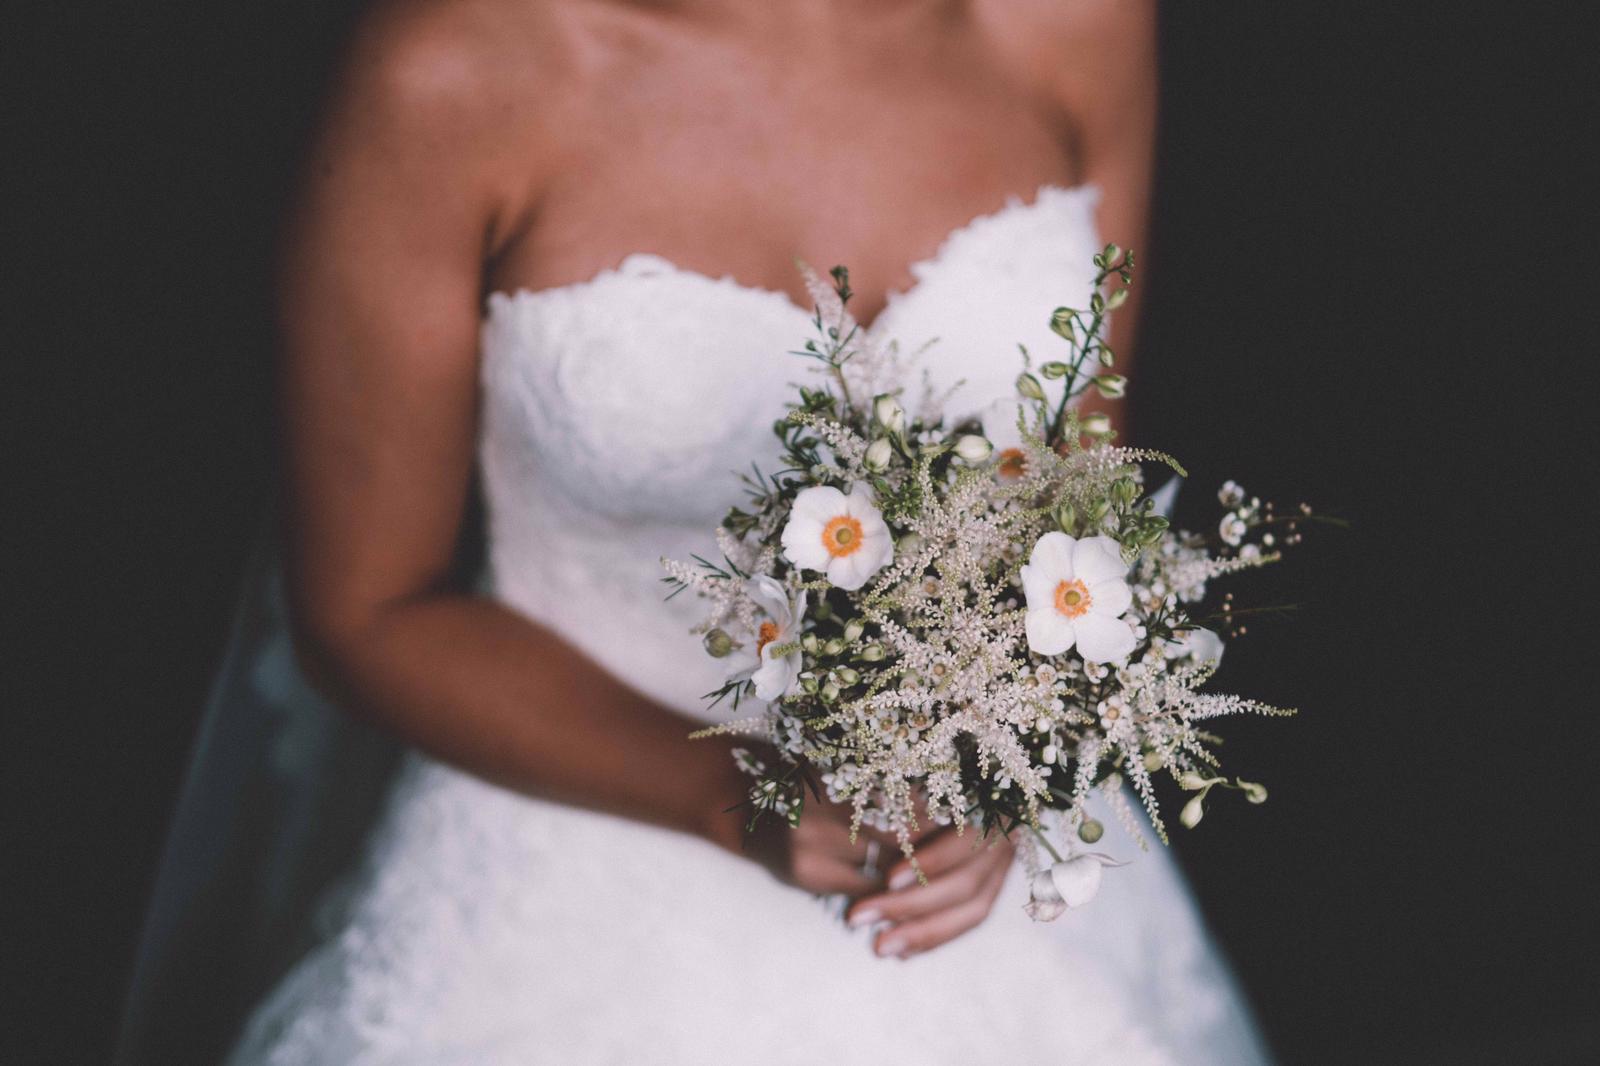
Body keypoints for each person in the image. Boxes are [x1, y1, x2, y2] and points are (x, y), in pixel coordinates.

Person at [128, 1, 1269, 1061]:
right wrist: (738, 796)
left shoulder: (1075, 23)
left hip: (991, 890)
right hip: (569, 885)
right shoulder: (462, 69)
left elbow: (1079, 486)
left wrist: (1012, 761)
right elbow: (366, 609)